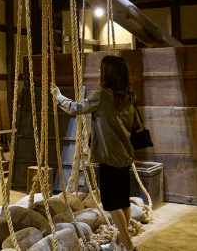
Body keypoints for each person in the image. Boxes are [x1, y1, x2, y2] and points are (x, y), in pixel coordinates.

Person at [50, 55, 141, 251]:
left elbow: (76, 108)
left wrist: (58, 97)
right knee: (123, 202)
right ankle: (120, 244)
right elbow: (135, 125)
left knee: (111, 204)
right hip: (125, 156)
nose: (100, 74)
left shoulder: (102, 96)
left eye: (102, 70)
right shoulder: (129, 97)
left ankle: (129, 246)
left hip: (108, 157)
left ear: (108, 74)